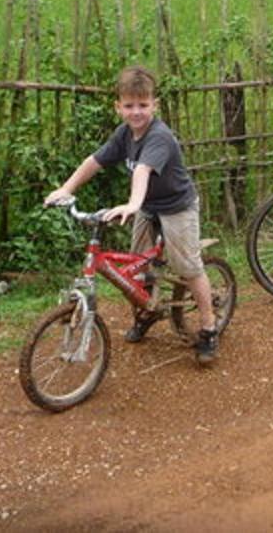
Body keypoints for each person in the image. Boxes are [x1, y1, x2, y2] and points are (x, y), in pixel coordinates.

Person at [44, 66, 221, 363]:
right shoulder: (124, 134)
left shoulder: (159, 136)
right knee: (137, 270)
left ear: (155, 105)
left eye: (143, 105)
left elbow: (142, 170)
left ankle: (208, 327)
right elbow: (95, 160)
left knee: (187, 267)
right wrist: (66, 188)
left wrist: (132, 203)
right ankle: (147, 311)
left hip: (177, 206)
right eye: (129, 105)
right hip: (147, 206)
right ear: (118, 107)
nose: (136, 112)